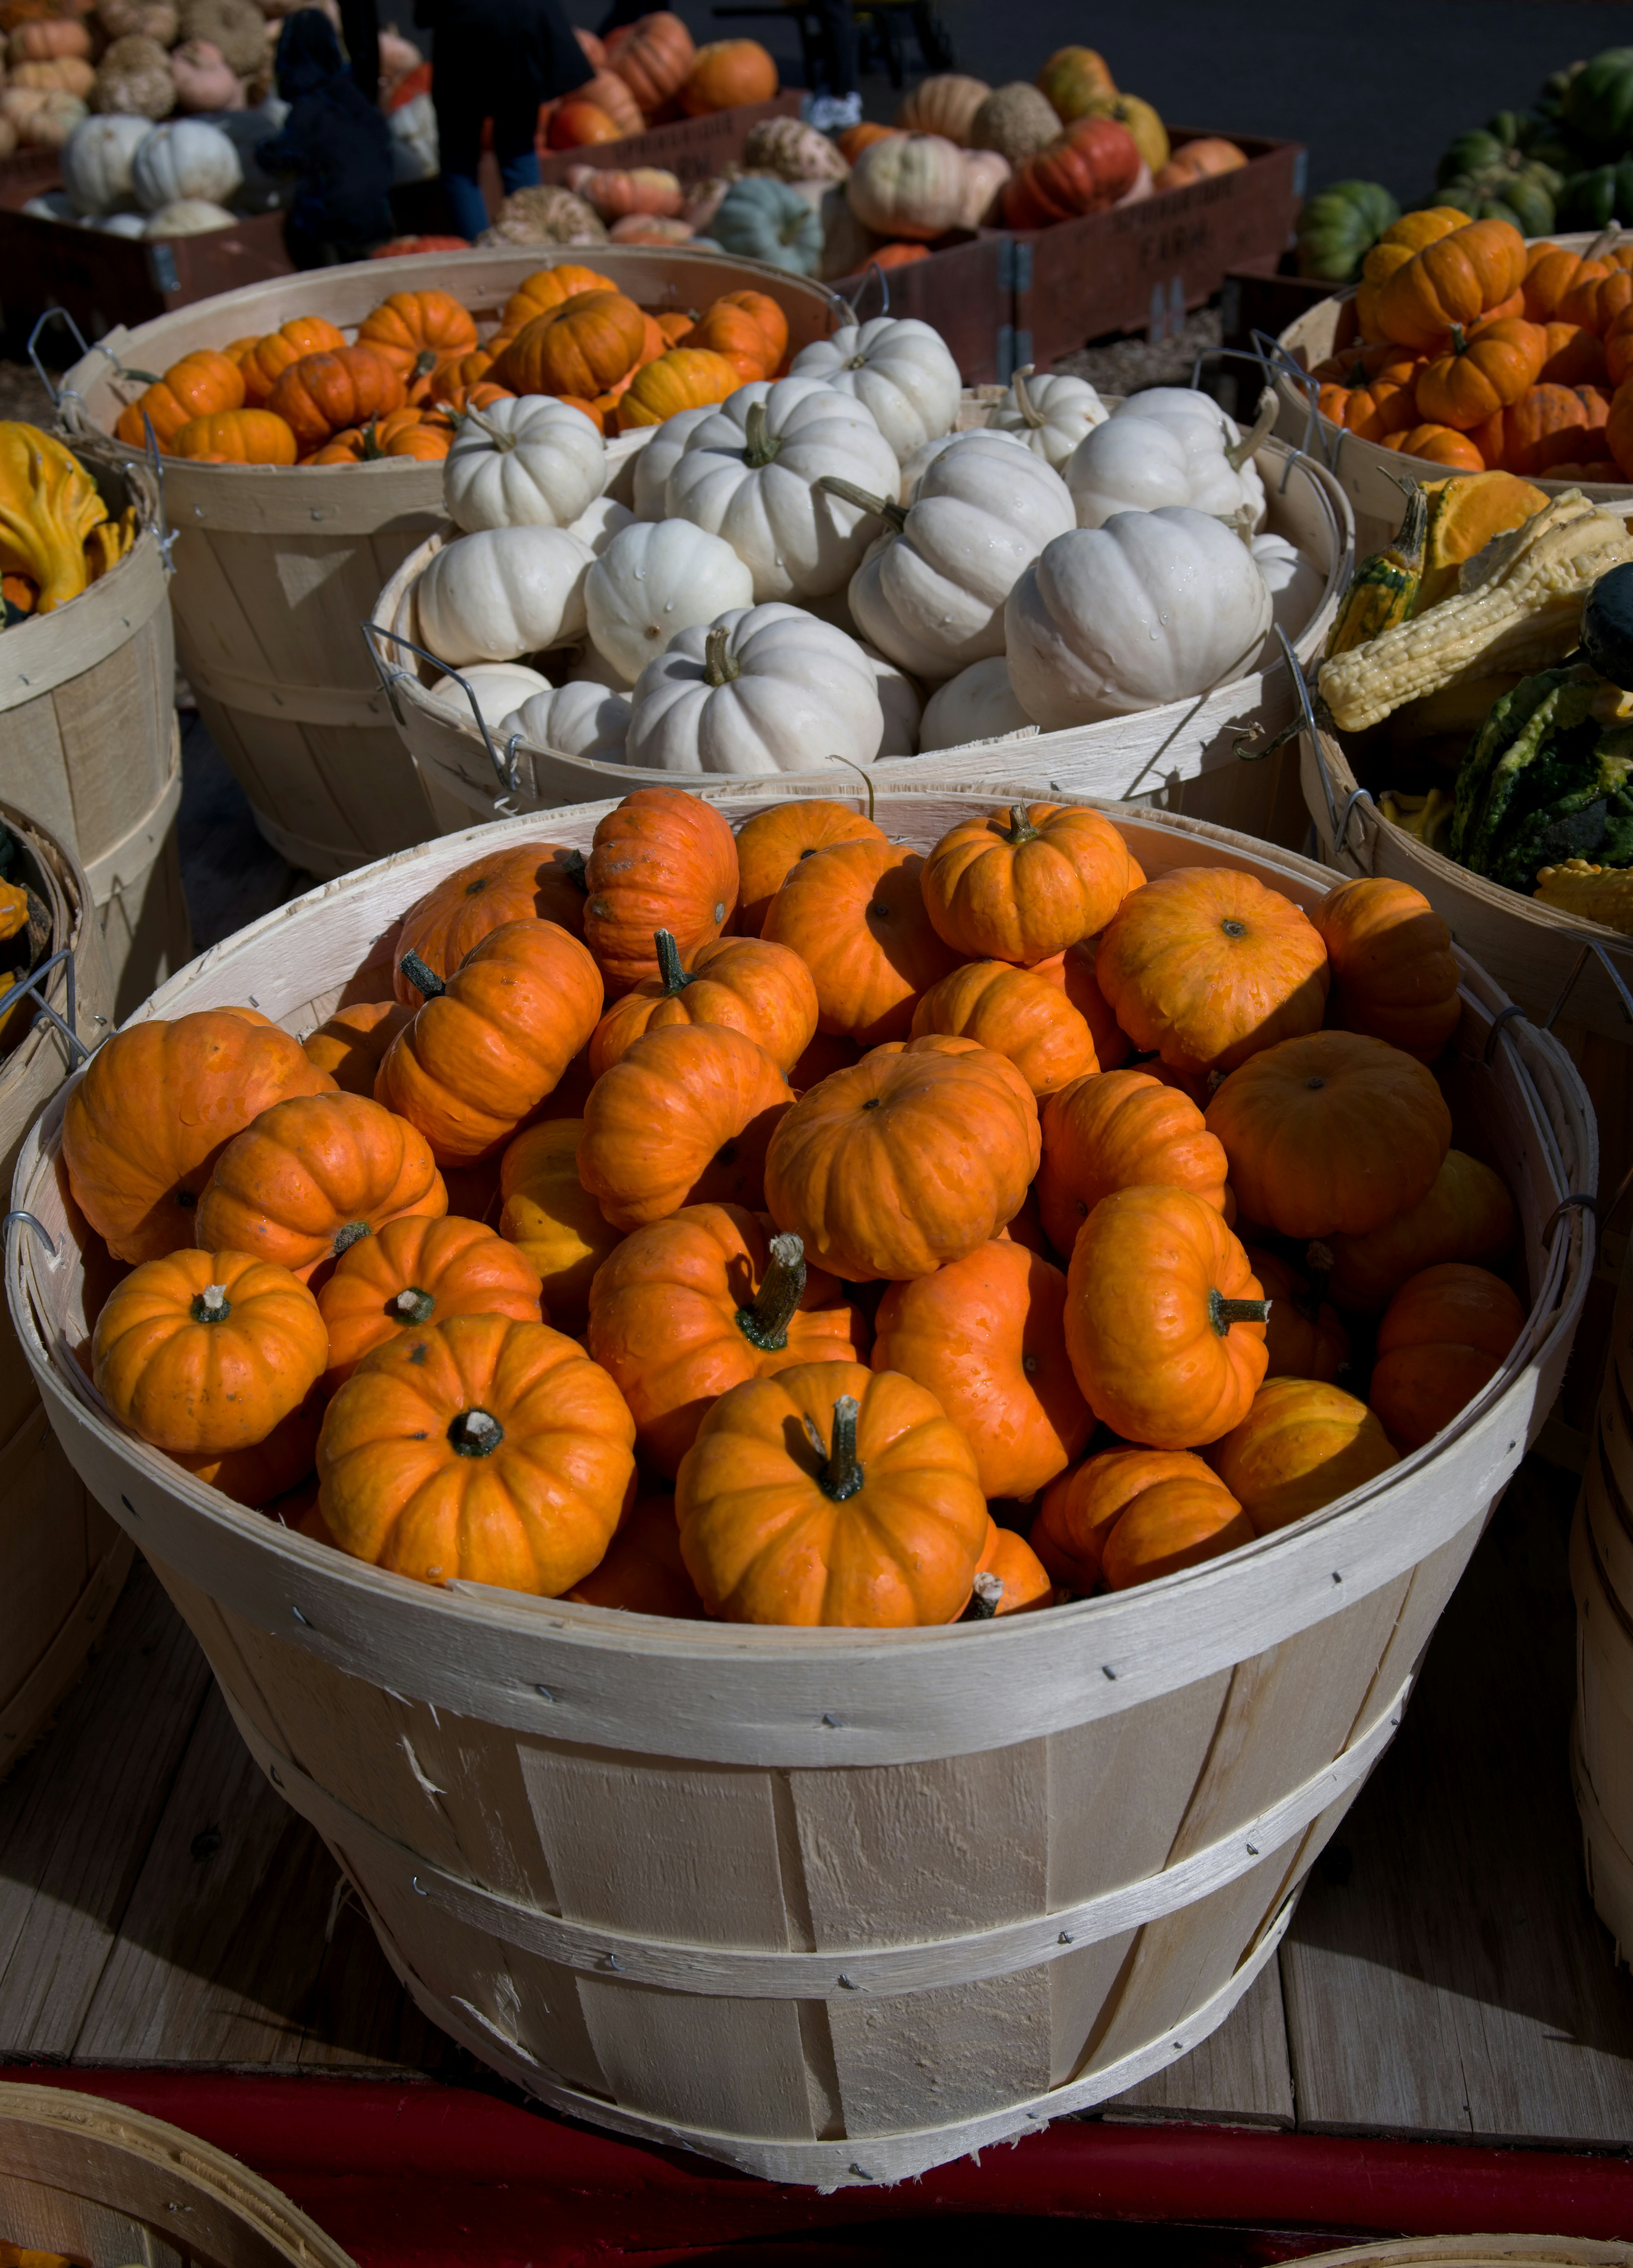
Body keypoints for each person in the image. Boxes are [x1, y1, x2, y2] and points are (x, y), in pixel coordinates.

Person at [418, 0, 592, 243]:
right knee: (518, 149)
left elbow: (426, 13)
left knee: (459, 163)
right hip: (519, 22)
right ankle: (532, 248)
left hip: (464, 31)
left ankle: (479, 254)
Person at [258, 10, 396, 266]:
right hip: (378, 217)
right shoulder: (354, 95)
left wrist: (264, 153)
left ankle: (320, 274)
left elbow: (289, 155)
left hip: (336, 223)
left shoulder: (310, 107)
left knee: (304, 216)